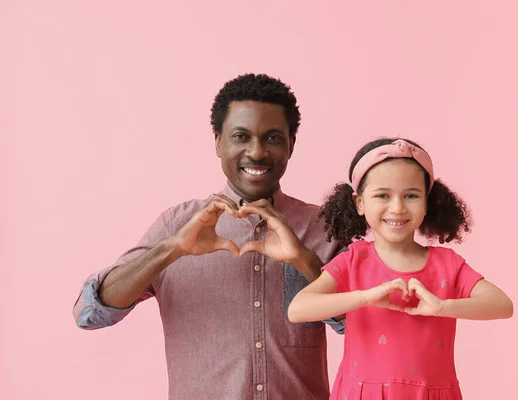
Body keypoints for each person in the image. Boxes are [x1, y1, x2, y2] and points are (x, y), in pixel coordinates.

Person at [73, 73, 346, 400]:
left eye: (272, 138)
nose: (256, 152)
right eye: (241, 136)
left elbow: (364, 325)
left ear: (291, 145)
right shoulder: (178, 223)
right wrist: (171, 249)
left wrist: (304, 260)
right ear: (218, 142)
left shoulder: (324, 227)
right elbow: (90, 312)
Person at [288, 137, 513, 399]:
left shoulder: (447, 263)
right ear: (359, 203)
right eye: (383, 195)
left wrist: (442, 307)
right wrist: (366, 297)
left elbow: (502, 304)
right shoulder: (354, 260)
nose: (397, 207)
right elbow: (298, 309)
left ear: (427, 202)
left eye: (411, 195)